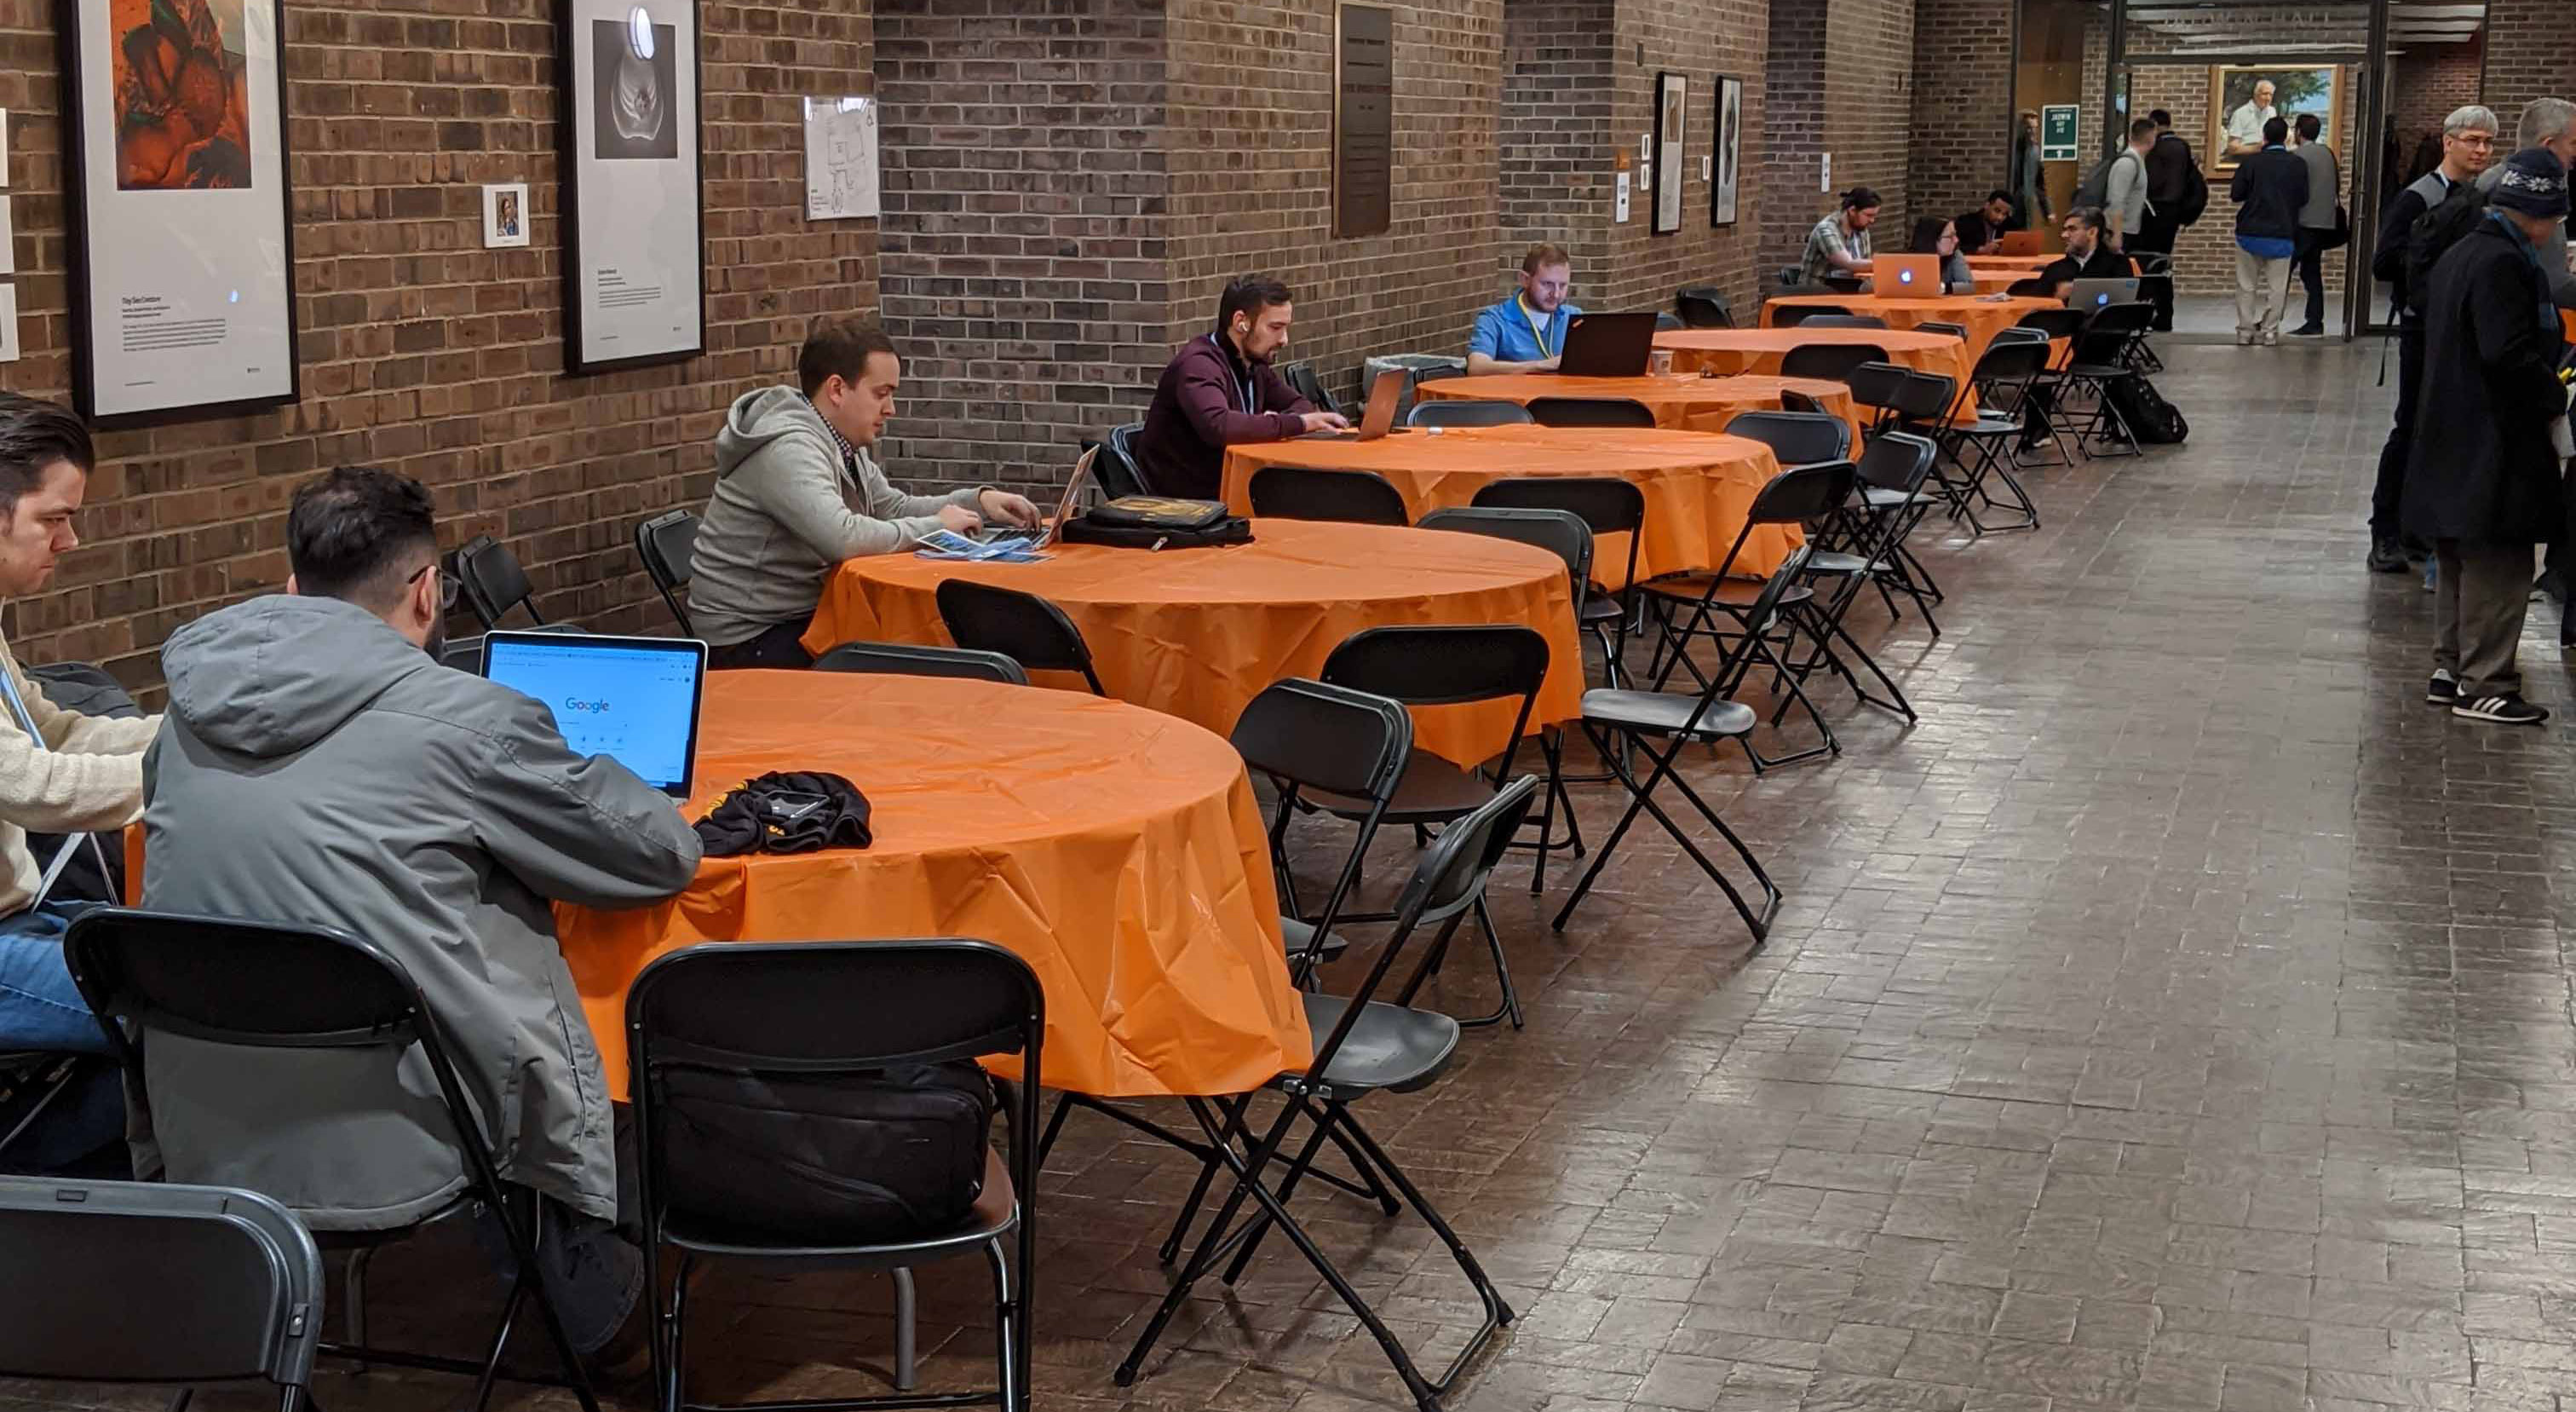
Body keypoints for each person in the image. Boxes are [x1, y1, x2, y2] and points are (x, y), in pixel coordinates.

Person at [139, 465, 706, 1369]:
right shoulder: (466, 720)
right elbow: (656, 854)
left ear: (294, 591)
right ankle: (602, 1316)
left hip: (210, 1119)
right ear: (429, 593)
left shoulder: (180, 721)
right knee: (543, 1046)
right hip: (406, 1123)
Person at [0, 394, 158, 1173]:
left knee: (180, 976)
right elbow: (30, 783)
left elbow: (52, 730)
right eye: (53, 518)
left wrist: (189, 732)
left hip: (20, 915)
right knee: (176, 1019)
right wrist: (177, 775)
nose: (71, 539)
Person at [689, 321, 1038, 670]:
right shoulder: (789, 449)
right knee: (916, 664)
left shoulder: (842, 441)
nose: (891, 409)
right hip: (750, 638)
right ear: (838, 389)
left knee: (921, 647)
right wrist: (936, 527)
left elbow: (892, 507)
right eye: (881, 393)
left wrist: (978, 502)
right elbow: (843, 537)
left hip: (802, 614)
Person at [2403, 148, 2573, 726]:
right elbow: (2506, 354)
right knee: (2500, 565)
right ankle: (2487, 682)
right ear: (2538, 210)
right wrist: (2554, 393)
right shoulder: (2503, 261)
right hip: (2494, 438)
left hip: (2450, 430)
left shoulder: (2461, 253)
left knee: (2458, 557)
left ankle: (2450, 669)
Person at [2366, 104, 2498, 573]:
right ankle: (2385, 531)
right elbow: (2383, 262)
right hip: (2423, 327)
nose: (2481, 150)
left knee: (2444, 430)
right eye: (2472, 140)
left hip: (2465, 331)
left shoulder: (2487, 198)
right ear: (2449, 142)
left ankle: (2421, 528)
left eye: (2487, 142)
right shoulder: (2418, 198)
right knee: (2410, 426)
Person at [1134, 274, 1345, 501]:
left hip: (1234, 489)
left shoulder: (1254, 363)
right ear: (1240, 322)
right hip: (1188, 504)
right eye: (1275, 327)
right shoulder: (1199, 364)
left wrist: (1278, 422)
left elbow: (1300, 404)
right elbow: (1220, 426)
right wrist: (1296, 423)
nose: (1284, 340)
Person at [2473, 98, 2576, 303]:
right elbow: (2551, 283)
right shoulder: (2530, 192)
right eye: (2574, 143)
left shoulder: (2496, 179)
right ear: (2548, 145)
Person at [2228, 117, 2309, 345]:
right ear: (2286, 137)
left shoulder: (2251, 162)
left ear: (2263, 137)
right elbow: (2304, 198)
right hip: (2282, 231)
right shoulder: (2297, 164)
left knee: (2246, 285)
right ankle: (2270, 331)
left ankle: (2245, 331)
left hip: (2250, 232)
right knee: (2277, 287)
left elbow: (2236, 194)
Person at [1467, 243, 1581, 375]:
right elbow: (1476, 368)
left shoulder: (1575, 317)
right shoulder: (1494, 319)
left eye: (1562, 285)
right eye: (1547, 284)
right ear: (1525, 280)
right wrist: (1541, 366)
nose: (1555, 294)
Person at [2136, 110, 2197, 331]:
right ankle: (2165, 314)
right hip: (2174, 213)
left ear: (2154, 125)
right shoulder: (2182, 147)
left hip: (2154, 212)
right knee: (2163, 261)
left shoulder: (2156, 148)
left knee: (2148, 263)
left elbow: (2150, 182)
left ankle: (2152, 313)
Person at [2289, 113, 2341, 336]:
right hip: (2323, 222)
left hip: (2302, 222)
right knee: (2312, 273)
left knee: (2283, 272)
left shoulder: (2297, 156)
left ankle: (2269, 320)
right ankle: (2315, 321)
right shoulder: (2328, 154)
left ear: (2299, 132)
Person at [2034, 207, 2130, 294]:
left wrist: (2077, 290)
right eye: (2064, 230)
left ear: (2092, 232)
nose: (2064, 235)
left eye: (2072, 229)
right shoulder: (2054, 270)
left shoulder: (2118, 264)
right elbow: (2038, 307)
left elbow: (2127, 307)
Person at [1802, 187, 1881, 285]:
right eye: (1869, 215)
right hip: (1817, 292)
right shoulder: (1826, 230)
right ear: (1852, 210)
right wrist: (1884, 265)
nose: (1872, 220)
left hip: (1849, 291)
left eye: (1874, 216)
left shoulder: (1862, 230)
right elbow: (1849, 263)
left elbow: (1865, 268)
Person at [2102, 118, 2156, 252]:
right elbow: (2116, 201)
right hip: (2119, 232)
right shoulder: (2127, 163)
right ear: (2151, 138)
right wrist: (2116, 236)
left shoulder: (2138, 161)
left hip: (2129, 231)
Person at [1906, 216, 1975, 292]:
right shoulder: (1910, 258)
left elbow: (1969, 286)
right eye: (1950, 236)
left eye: (1955, 234)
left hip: (1947, 303)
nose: (1956, 240)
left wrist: (1942, 288)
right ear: (1932, 240)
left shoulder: (1955, 255)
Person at [2224, 79, 2280, 158]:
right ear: (2255, 94)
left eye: (2271, 95)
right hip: (2246, 159)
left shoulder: (2272, 112)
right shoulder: (2240, 113)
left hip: (2268, 158)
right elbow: (2232, 148)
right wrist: (2256, 148)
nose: (2268, 98)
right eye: (2265, 94)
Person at [2013, 112, 2049, 231]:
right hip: (2008, 206)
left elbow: (2039, 182)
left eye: (2035, 129)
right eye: (2029, 128)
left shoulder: (2034, 151)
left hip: (2025, 207)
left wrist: (2047, 210)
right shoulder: (2011, 150)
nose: (2032, 132)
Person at [1953, 191, 2015, 255]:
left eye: (2004, 214)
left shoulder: (2010, 226)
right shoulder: (1966, 222)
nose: (2000, 217)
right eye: (1997, 211)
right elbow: (1953, 248)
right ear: (1987, 205)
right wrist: (1980, 250)